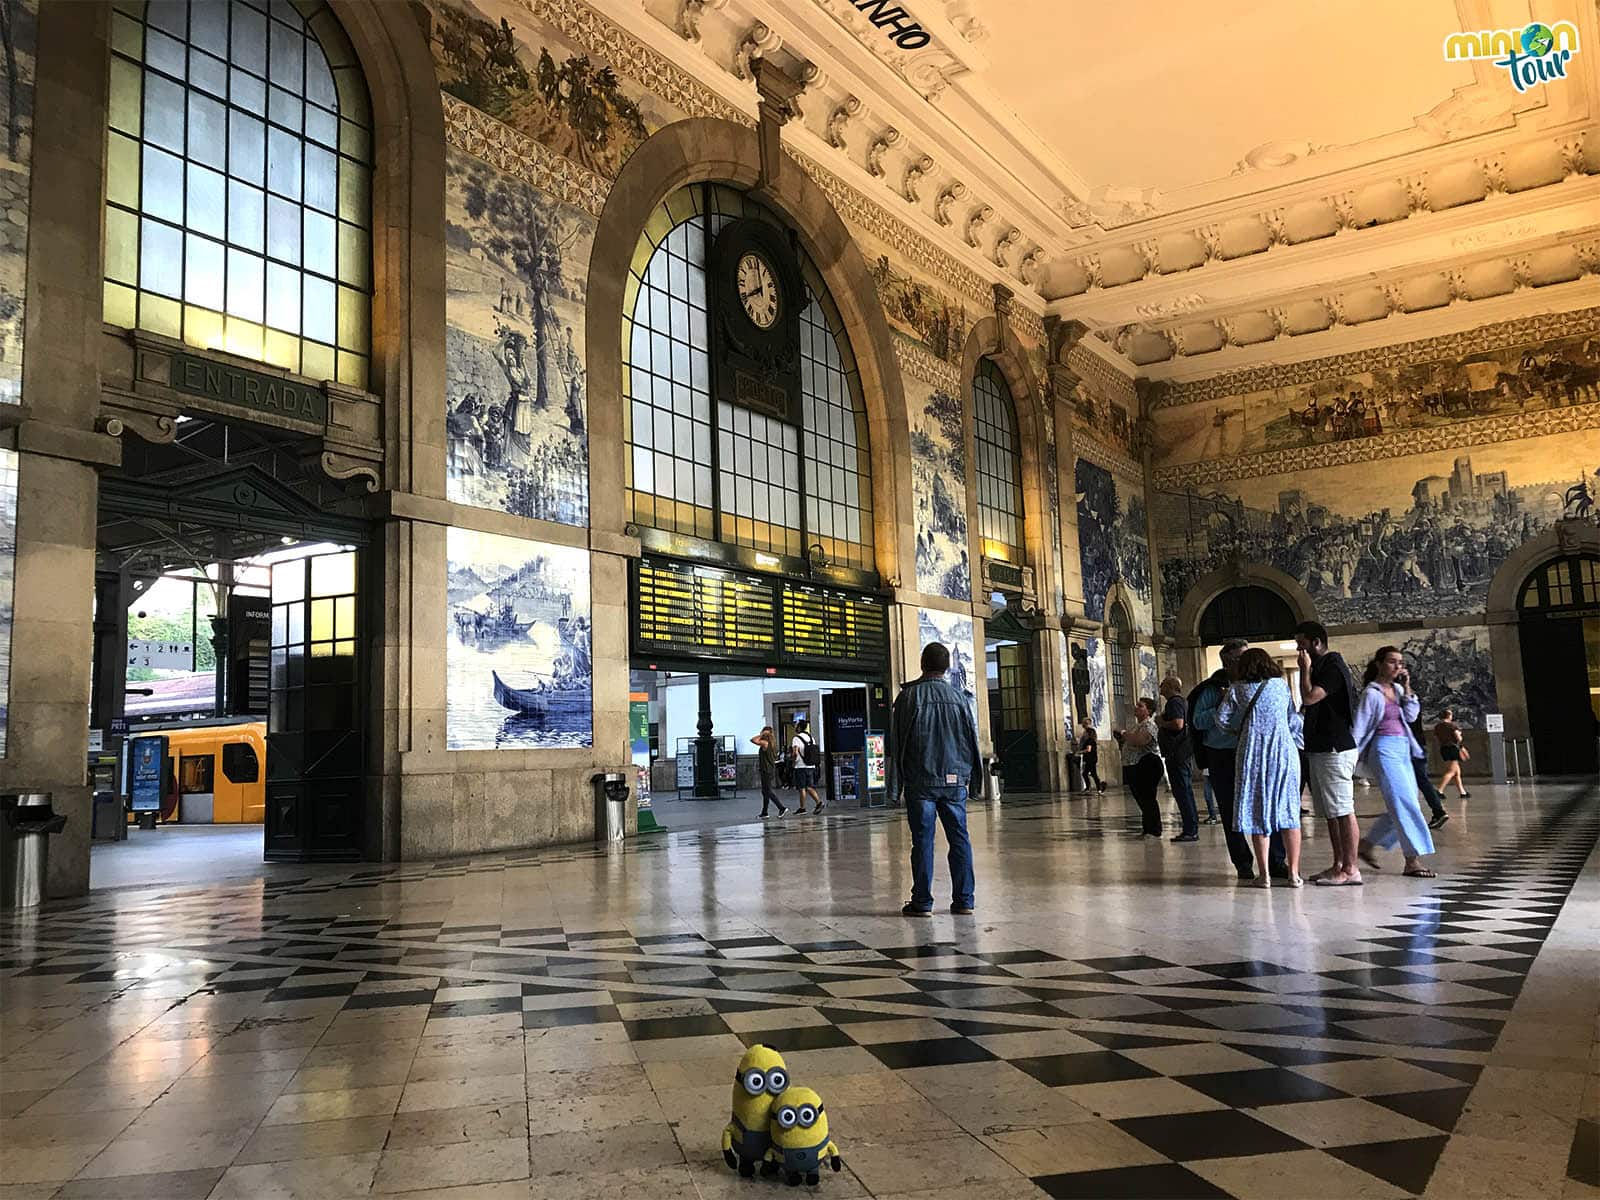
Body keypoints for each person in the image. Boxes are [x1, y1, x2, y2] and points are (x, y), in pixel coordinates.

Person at [892, 642, 983, 917]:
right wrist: (973, 779)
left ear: (922, 664)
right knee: (960, 839)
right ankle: (965, 900)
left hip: (921, 781)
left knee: (922, 841)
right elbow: (972, 741)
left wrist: (896, 786)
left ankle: (922, 902)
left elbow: (899, 745)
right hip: (955, 780)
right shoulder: (960, 698)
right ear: (946, 667)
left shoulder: (909, 697)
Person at [1190, 640, 1288, 881]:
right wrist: (1222, 704)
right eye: (1242, 658)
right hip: (1222, 755)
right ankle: (1243, 862)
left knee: (1266, 803)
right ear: (1229, 662)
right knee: (1229, 808)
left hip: (1255, 752)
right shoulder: (1211, 689)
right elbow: (1197, 722)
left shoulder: (1264, 686)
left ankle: (1276, 860)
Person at [1217, 648, 1304, 888]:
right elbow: (1292, 717)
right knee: (1289, 811)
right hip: (1283, 751)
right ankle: (1294, 874)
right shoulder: (1281, 686)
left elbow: (1220, 719)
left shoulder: (1237, 689)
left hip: (1252, 751)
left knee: (1258, 811)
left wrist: (1238, 731)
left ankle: (1264, 875)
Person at [1353, 647, 1437, 878]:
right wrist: (1349, 758)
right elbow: (1359, 727)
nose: (1397, 667)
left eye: (1400, 663)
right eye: (1392, 662)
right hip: (1383, 749)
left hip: (1403, 749)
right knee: (1403, 802)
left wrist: (1408, 686)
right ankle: (1412, 860)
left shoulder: (1399, 690)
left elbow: (1411, 716)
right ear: (1379, 664)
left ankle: (1367, 845)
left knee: (1407, 803)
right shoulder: (1371, 693)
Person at [1294, 621, 1362, 887]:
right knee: (1331, 812)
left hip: (1335, 748)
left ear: (1317, 643)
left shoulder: (1332, 666)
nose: (1300, 650)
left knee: (1343, 810)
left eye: (1303, 644)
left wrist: (1304, 671)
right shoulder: (1323, 666)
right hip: (1320, 747)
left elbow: (1310, 697)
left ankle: (1351, 868)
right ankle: (1338, 864)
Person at [1157, 676, 1198, 842]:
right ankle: (1190, 828)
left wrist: (1161, 722)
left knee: (1183, 792)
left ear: (1170, 686)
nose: (1160, 686)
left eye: (1163, 684)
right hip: (1179, 753)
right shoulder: (1180, 702)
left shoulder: (1174, 702)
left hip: (1177, 754)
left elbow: (1178, 724)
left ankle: (1190, 830)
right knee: (1183, 791)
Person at [1115, 699, 1164, 836]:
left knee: (1147, 798)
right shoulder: (1138, 726)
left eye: (1140, 706)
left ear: (1148, 711)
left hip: (1147, 764)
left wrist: (1124, 733)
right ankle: (1148, 827)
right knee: (1142, 798)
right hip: (1135, 764)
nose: (1136, 707)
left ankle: (1154, 829)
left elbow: (1139, 741)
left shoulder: (1149, 725)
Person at [1434, 709, 1471, 802]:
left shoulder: (1438, 727)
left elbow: (1436, 738)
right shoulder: (1452, 726)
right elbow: (1458, 738)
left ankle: (1462, 792)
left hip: (1444, 749)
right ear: (1449, 716)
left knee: (1456, 772)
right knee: (1451, 771)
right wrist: (1460, 737)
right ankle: (1439, 791)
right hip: (1452, 748)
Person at [751, 726, 787, 819]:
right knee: (765, 792)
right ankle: (764, 812)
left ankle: (781, 807)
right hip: (770, 769)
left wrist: (762, 734)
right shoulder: (773, 743)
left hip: (766, 770)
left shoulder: (765, 743)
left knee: (767, 791)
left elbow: (753, 740)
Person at [790, 720, 822, 815]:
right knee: (809, 786)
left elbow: (795, 752)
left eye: (796, 726)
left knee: (802, 788)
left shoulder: (796, 738)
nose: (795, 727)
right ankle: (819, 802)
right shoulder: (811, 737)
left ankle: (802, 808)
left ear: (799, 727)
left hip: (800, 766)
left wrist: (793, 762)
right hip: (811, 765)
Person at [1078, 725, 1104, 793]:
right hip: (1090, 759)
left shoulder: (1089, 740)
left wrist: (1080, 752)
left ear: (1088, 733)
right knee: (1088, 773)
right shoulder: (1091, 740)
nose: (1084, 733)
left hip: (1090, 759)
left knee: (1090, 774)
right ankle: (1096, 788)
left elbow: (1088, 749)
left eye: (1085, 732)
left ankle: (1096, 788)